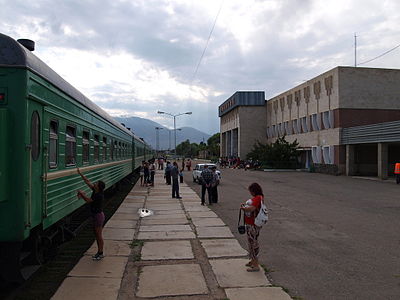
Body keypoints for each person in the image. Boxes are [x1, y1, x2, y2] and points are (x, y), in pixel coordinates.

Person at [77, 168, 106, 261]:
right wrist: (81, 174)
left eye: (96, 183)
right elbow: (88, 182)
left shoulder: (99, 195)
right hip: (96, 216)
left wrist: (82, 194)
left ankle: (101, 253)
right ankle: (99, 252)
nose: (95, 183)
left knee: (99, 235)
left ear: (99, 187)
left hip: (98, 216)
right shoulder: (95, 190)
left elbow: (89, 201)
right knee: (96, 235)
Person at [240, 182, 263, 272]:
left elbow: (252, 209)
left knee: (253, 243)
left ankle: (256, 264)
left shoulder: (258, 198)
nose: (250, 193)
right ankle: (253, 261)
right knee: (251, 242)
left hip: (253, 224)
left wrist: (244, 208)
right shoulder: (258, 198)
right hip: (251, 223)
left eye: (251, 191)